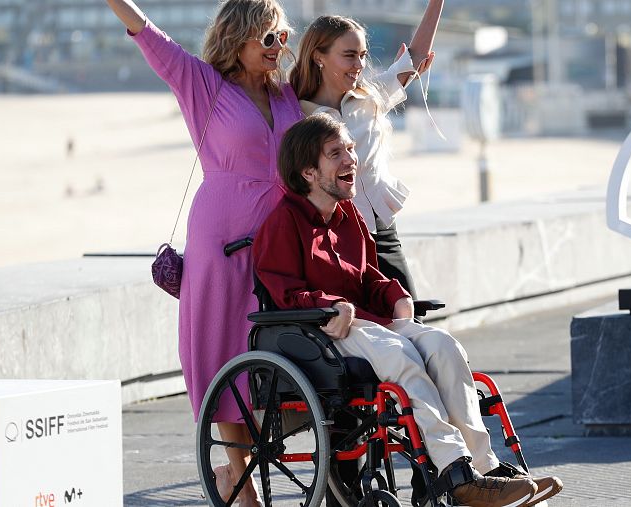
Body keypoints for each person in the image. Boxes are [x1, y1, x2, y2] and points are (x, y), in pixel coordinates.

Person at [253, 114, 563, 507]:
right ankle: (455, 471)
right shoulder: (282, 222)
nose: (351, 159)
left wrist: (396, 296)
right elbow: (285, 293)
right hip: (323, 335)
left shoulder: (350, 218)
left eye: (350, 149)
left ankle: (482, 468)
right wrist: (331, 307)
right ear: (309, 172)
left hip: (372, 325)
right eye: (337, 154)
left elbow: (368, 279)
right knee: (400, 355)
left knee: (443, 345)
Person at [104, 0, 305, 504]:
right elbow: (148, 35)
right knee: (228, 356)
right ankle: (242, 483)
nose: (279, 47)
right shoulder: (205, 87)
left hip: (282, 238)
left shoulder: (287, 95)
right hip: (222, 242)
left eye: (283, 37)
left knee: (280, 353)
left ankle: (242, 467)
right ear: (238, 38)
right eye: (268, 39)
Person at [289, 5, 443, 298]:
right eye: (349, 55)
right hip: (338, 237)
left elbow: (416, 57)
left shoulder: (371, 97)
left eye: (362, 55)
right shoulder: (296, 115)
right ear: (318, 57)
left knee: (409, 319)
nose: (359, 64)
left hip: (384, 231)